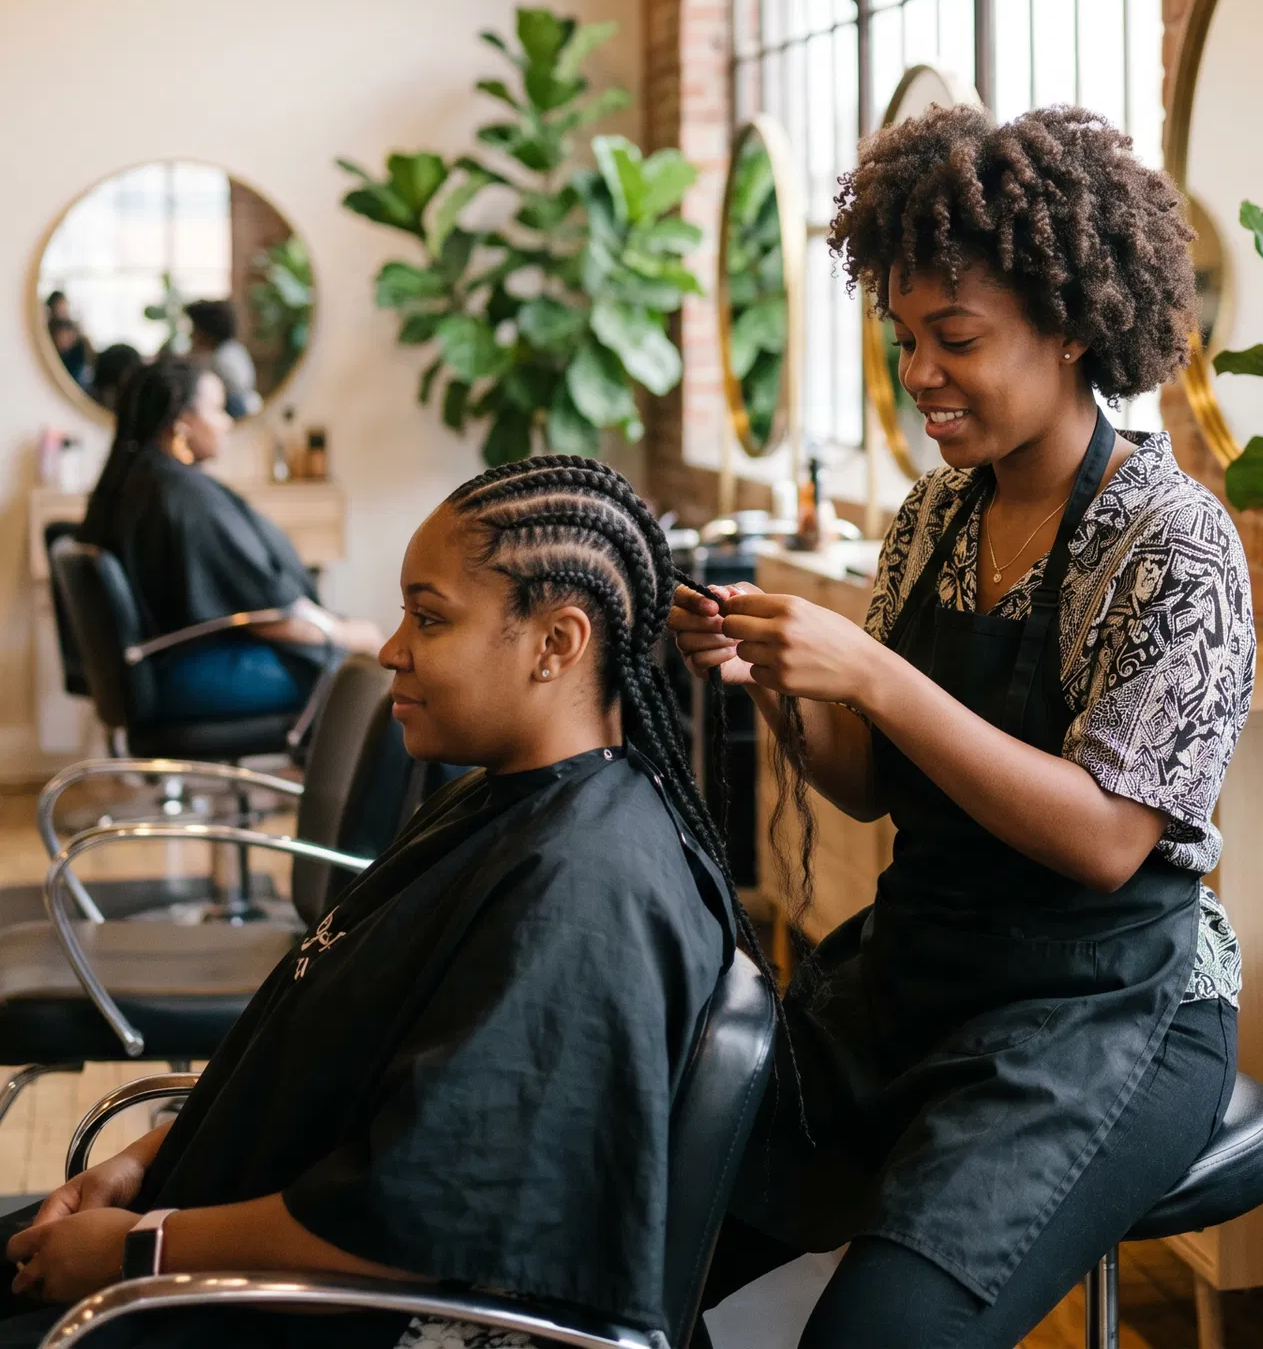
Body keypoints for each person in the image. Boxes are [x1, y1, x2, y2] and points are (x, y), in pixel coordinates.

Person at [673, 105, 1257, 1348]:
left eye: (956, 339)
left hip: (1111, 1011)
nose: (921, 374)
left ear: (1073, 326)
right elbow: (871, 786)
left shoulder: (1172, 542)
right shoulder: (935, 518)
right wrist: (775, 678)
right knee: (643, 1227)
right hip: (928, 974)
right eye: (905, 341)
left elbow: (1107, 840)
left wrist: (874, 677)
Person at [0, 456, 739, 1349]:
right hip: (198, 1244)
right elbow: (326, 1060)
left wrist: (136, 1255)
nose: (391, 648)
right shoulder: (498, 800)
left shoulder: (582, 896)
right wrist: (141, 1162)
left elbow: (410, 1224)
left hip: (244, 1307)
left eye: (429, 618)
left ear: (557, 642)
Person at [79, 357, 381, 722]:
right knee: (359, 675)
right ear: (183, 421)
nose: (227, 423)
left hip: (163, 668)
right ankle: (332, 780)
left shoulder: (137, 481)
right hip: (188, 674)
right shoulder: (182, 496)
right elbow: (264, 613)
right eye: (218, 410)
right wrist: (348, 634)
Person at [187, 299, 262, 418]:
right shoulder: (234, 349)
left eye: (195, 329)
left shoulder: (220, 358)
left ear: (206, 331)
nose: (191, 335)